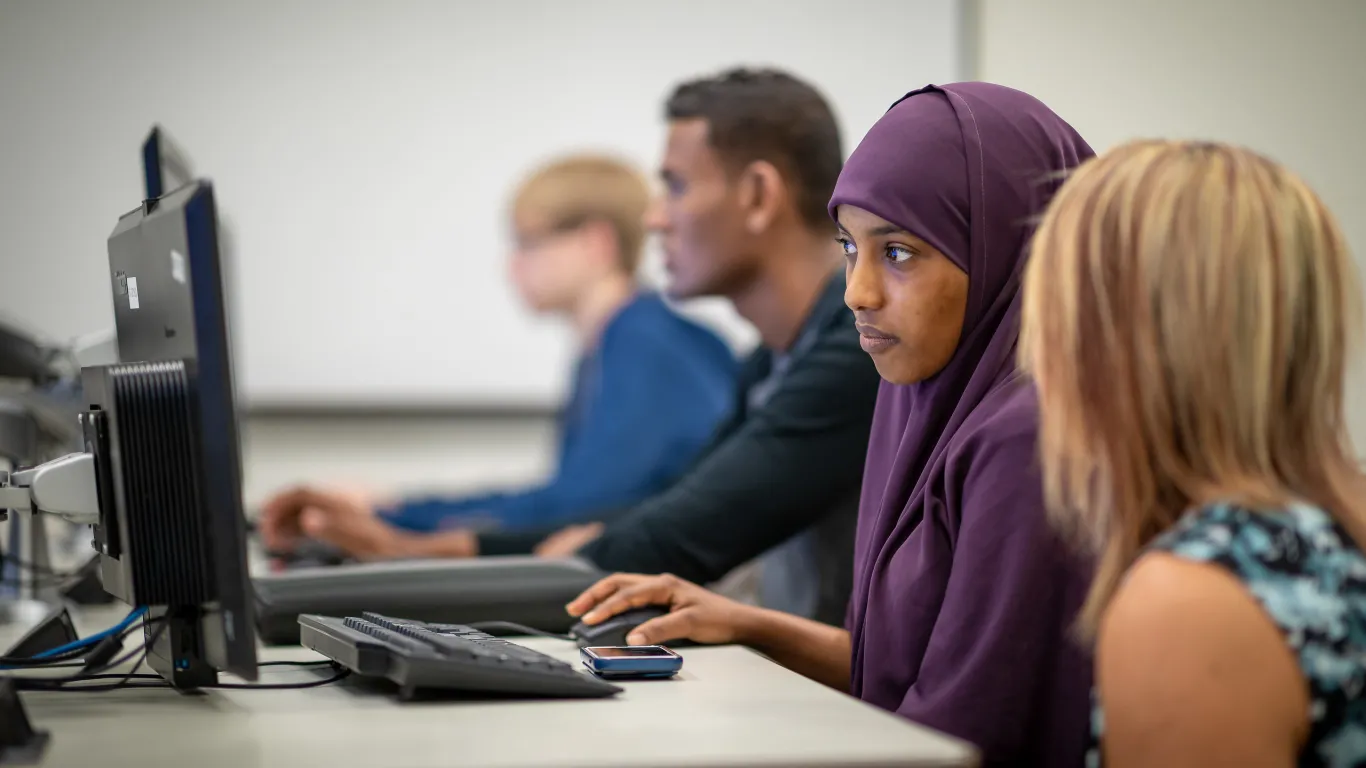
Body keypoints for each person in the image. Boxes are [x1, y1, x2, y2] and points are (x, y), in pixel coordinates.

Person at [567, 82, 1097, 766]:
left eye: (899, 252)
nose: (858, 292)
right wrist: (745, 624)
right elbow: (898, 671)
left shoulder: (1028, 434)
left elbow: (962, 734)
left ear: (1009, 245)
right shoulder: (927, 403)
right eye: (850, 248)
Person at [1020, 141, 1366, 767]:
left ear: (1112, 344)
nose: (1034, 359)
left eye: (1049, 316)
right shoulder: (1334, 531)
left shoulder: (1194, 601)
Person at [258, 155, 737, 556]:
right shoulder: (614, 344)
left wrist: (396, 513)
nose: (511, 264)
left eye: (527, 242)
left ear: (596, 243)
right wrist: (394, 507)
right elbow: (564, 499)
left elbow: (576, 507)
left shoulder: (646, 344)